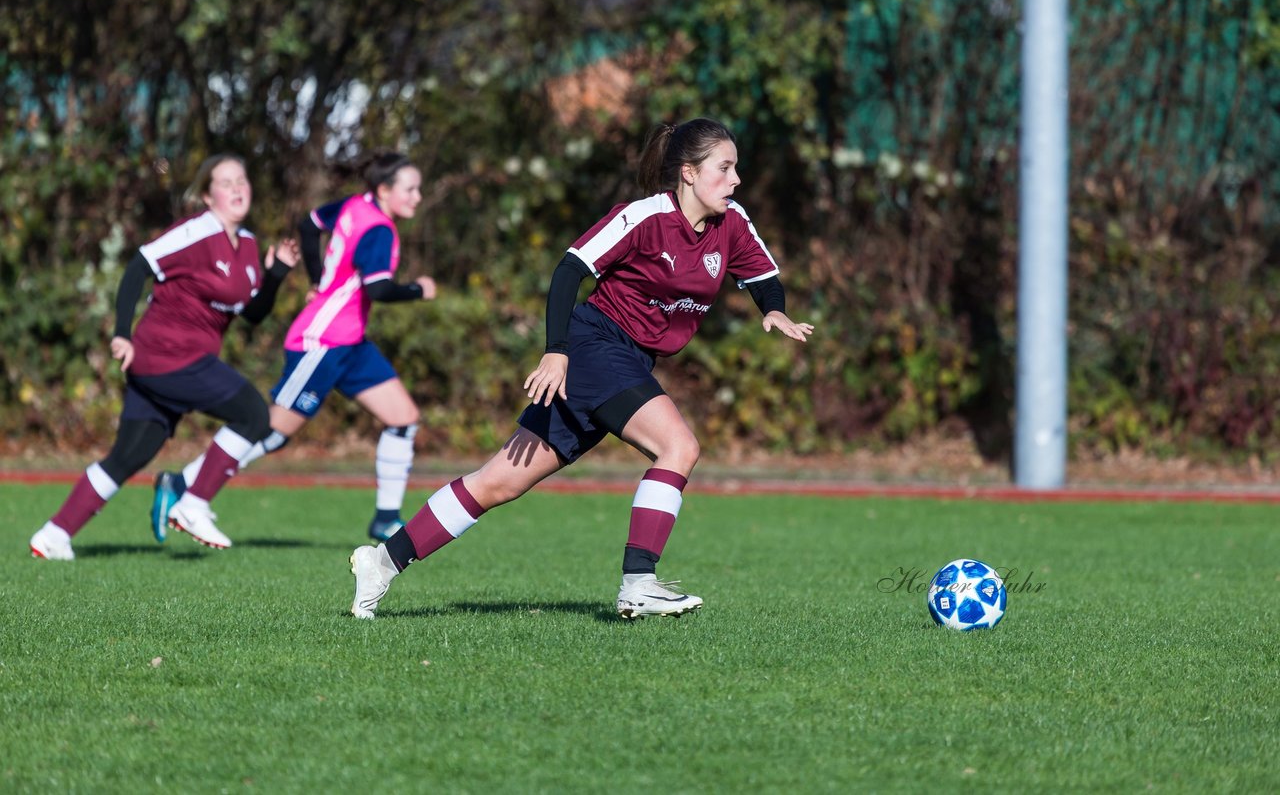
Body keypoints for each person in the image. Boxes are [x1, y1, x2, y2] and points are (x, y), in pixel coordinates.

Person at [348, 118, 815, 620]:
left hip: (625, 361)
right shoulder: (643, 217)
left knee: (498, 482)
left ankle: (383, 560)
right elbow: (570, 268)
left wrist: (773, 308)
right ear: (688, 172)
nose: (735, 179)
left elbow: (762, 274)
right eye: (725, 168)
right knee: (678, 446)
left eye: (735, 168)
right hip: (594, 346)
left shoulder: (732, 223)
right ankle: (639, 583)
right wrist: (557, 349)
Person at [152, 152, 436, 543]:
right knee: (272, 432)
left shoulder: (355, 205)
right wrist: (418, 289)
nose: (418, 197)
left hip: (350, 341)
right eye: (411, 189)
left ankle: (386, 519)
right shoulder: (380, 229)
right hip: (321, 342)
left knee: (403, 417)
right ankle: (183, 484)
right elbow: (378, 288)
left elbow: (309, 224)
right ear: (385, 190)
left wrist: (320, 281)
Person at [29, 154, 297, 560]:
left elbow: (253, 314)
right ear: (208, 196)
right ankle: (193, 504)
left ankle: (54, 535)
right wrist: (122, 334)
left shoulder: (249, 246)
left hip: (177, 362)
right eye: (226, 182)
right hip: (166, 354)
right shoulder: (196, 231)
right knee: (254, 416)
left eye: (242, 179)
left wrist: (275, 275)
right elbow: (138, 267)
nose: (238, 188)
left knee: (129, 455)